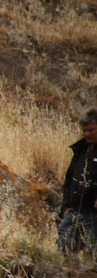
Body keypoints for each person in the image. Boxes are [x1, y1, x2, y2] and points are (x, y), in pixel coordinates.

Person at [57, 107, 97, 257]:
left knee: (92, 259)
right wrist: (65, 207)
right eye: (84, 130)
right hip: (73, 212)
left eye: (91, 130)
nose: (86, 134)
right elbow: (69, 181)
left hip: (94, 215)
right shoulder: (80, 150)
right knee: (63, 252)